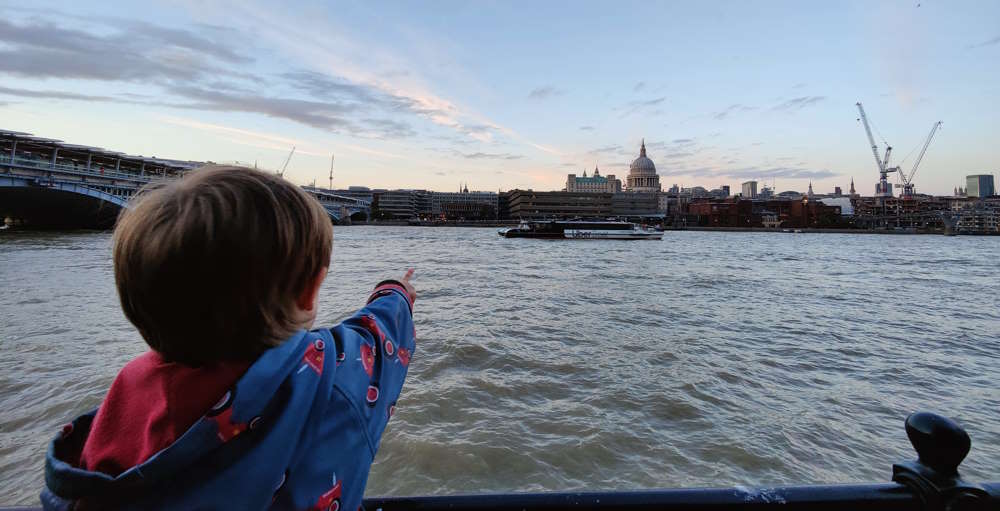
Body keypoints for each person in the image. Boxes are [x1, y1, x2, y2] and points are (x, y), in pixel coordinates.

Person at [41, 165, 416, 510]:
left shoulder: (127, 392)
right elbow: (377, 339)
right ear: (310, 291)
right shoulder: (323, 378)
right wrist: (394, 291)